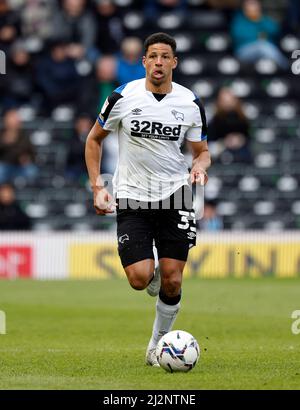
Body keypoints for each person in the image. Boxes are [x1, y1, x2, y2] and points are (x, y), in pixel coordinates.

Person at [85, 32, 211, 367]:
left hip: (175, 194)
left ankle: (156, 345)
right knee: (141, 279)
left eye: (164, 56)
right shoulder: (122, 96)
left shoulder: (190, 103)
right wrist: (98, 187)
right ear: (143, 62)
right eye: (152, 56)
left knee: (172, 279)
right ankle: (150, 274)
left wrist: (199, 167)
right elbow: (94, 140)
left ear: (174, 62)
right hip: (132, 195)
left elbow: (202, 152)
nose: (158, 62)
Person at [231, 0, 288, 69]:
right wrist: (258, 35)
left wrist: (259, 19)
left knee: (265, 51)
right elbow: (238, 35)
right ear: (244, 7)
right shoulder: (239, 19)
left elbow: (275, 30)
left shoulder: (263, 18)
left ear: (259, 6)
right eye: (249, 5)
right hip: (243, 51)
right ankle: (286, 67)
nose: (252, 7)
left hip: (267, 51)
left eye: (254, 4)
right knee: (262, 46)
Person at [209, 87, 252, 164]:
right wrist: (224, 143)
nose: (227, 104)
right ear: (219, 102)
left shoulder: (243, 118)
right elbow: (209, 142)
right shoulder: (214, 119)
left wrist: (241, 140)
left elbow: (250, 136)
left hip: (242, 151)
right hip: (219, 151)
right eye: (224, 101)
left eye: (230, 100)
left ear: (235, 100)